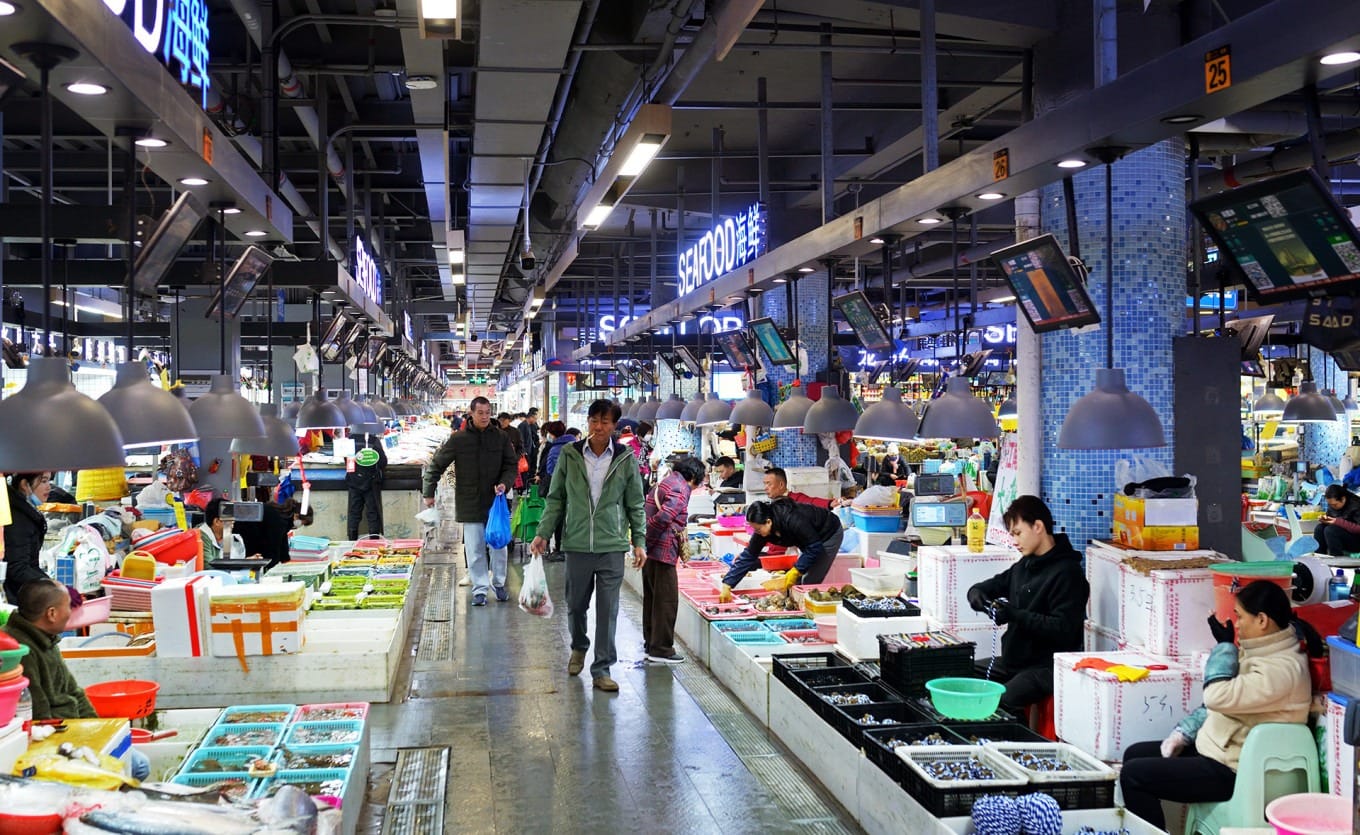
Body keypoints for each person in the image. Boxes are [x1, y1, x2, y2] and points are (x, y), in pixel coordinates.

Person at [1119, 580, 1320, 829]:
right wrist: (1184, 733)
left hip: (1233, 770)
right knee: (1133, 755)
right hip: (1217, 749)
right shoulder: (1264, 652)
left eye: (1240, 617)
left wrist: (1224, 648)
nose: (1236, 624)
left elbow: (1216, 696)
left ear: (1262, 620)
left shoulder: (1281, 671)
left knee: (1134, 776)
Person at [530, 400, 647, 693]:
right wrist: (543, 533)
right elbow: (556, 498)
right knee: (576, 605)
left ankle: (602, 668)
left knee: (608, 610)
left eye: (605, 422)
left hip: (611, 545)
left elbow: (635, 503)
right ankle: (579, 645)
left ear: (614, 426)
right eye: (594, 421)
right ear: (588, 422)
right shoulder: (570, 455)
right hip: (578, 543)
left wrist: (639, 542)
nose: (598, 427)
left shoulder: (625, 458)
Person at [4, 579, 150, 781]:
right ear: (52, 613)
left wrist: (100, 730)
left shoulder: (47, 637)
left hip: (77, 727)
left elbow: (75, 691)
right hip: (58, 738)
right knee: (138, 766)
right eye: (67, 607)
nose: (71, 613)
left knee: (137, 761)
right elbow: (39, 717)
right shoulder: (21, 649)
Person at [966, 495, 1088, 715]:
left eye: (1018, 533)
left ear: (1038, 526)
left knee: (1000, 701)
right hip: (1013, 661)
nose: (1015, 541)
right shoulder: (1024, 566)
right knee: (962, 675)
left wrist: (1014, 615)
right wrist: (977, 594)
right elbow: (993, 585)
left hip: (1045, 667)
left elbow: (1063, 629)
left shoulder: (1068, 573)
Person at [423, 396, 518, 606]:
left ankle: (500, 584)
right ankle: (480, 589)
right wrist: (428, 491)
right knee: (474, 549)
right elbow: (437, 465)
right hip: (470, 502)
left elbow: (511, 466)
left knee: (499, 546)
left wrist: (504, 483)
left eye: (487, 412)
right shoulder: (459, 439)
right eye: (480, 413)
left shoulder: (501, 438)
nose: (484, 416)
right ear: (471, 413)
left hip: (496, 504)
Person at [642, 456, 705, 665]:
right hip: (663, 550)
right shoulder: (681, 488)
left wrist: (643, 544)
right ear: (694, 476)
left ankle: (651, 643)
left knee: (652, 598)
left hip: (651, 551)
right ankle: (661, 649)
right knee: (666, 601)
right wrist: (648, 540)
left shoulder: (666, 481)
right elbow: (663, 518)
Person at [718, 498, 845, 601]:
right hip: (809, 539)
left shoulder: (792, 519)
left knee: (809, 579)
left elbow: (814, 547)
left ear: (768, 522)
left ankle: (806, 612)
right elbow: (748, 556)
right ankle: (795, 603)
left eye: (757, 529)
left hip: (829, 532)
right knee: (798, 579)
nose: (756, 533)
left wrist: (796, 570)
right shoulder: (762, 530)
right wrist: (727, 584)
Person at [3, 472, 52, 603]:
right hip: (12, 596)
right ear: (24, 485)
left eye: (49, 481)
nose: (49, 487)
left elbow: (31, 563)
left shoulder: (25, 510)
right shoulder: (16, 518)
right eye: (43, 481)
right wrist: (53, 587)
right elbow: (17, 568)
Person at [235, 498, 314, 568]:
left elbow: (282, 541)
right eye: (302, 522)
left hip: (245, 533)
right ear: (296, 516)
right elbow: (273, 545)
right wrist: (271, 564)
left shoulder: (280, 515)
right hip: (242, 535)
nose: (300, 525)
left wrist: (284, 559)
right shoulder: (279, 521)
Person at [539, 427, 579, 562]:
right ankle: (562, 547)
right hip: (573, 493)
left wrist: (542, 534)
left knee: (557, 517)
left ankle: (559, 548)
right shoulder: (575, 449)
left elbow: (550, 470)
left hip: (557, 488)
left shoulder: (555, 448)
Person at [345, 431, 388, 540]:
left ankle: (351, 541)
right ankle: (374, 543)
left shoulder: (349, 440)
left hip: (354, 481)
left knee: (354, 512)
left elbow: (345, 459)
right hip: (371, 482)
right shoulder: (374, 440)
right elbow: (383, 461)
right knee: (372, 512)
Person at [763, 466, 842, 509]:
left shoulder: (796, 498)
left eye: (769, 484)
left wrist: (830, 503)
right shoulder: (772, 503)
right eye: (765, 484)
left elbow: (812, 501)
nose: (765, 488)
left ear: (781, 485)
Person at [1314, 483, 1360, 555]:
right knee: (1319, 528)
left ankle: (1337, 559)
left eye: (1335, 504)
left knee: (1330, 530)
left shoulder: (1356, 504)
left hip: (1356, 540)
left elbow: (1358, 528)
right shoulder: (1333, 505)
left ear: (1343, 499)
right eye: (1330, 505)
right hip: (1340, 535)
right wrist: (1325, 520)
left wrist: (1337, 522)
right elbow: (1331, 519)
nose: (1332, 507)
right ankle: (1319, 557)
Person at [198, 498, 225, 562]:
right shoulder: (201, 536)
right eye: (229, 518)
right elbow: (209, 566)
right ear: (217, 521)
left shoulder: (227, 535)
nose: (233, 521)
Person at [518, 408, 540, 483]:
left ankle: (528, 483)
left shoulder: (529, 425)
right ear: (531, 417)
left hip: (530, 451)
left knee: (530, 468)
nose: (535, 421)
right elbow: (521, 439)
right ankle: (524, 485)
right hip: (525, 452)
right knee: (525, 469)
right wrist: (524, 451)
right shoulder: (522, 425)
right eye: (535, 419)